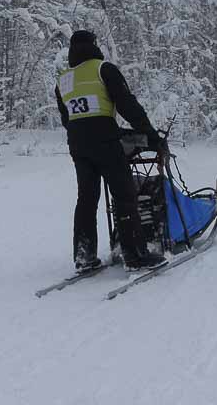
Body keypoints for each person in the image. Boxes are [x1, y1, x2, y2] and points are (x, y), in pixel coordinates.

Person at [55, 30, 167, 272]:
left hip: (78, 145)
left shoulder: (63, 79)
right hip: (105, 140)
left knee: (86, 199)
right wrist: (150, 135)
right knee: (124, 196)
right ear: (94, 46)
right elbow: (128, 106)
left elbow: (68, 118)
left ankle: (84, 256)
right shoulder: (103, 69)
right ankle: (135, 255)